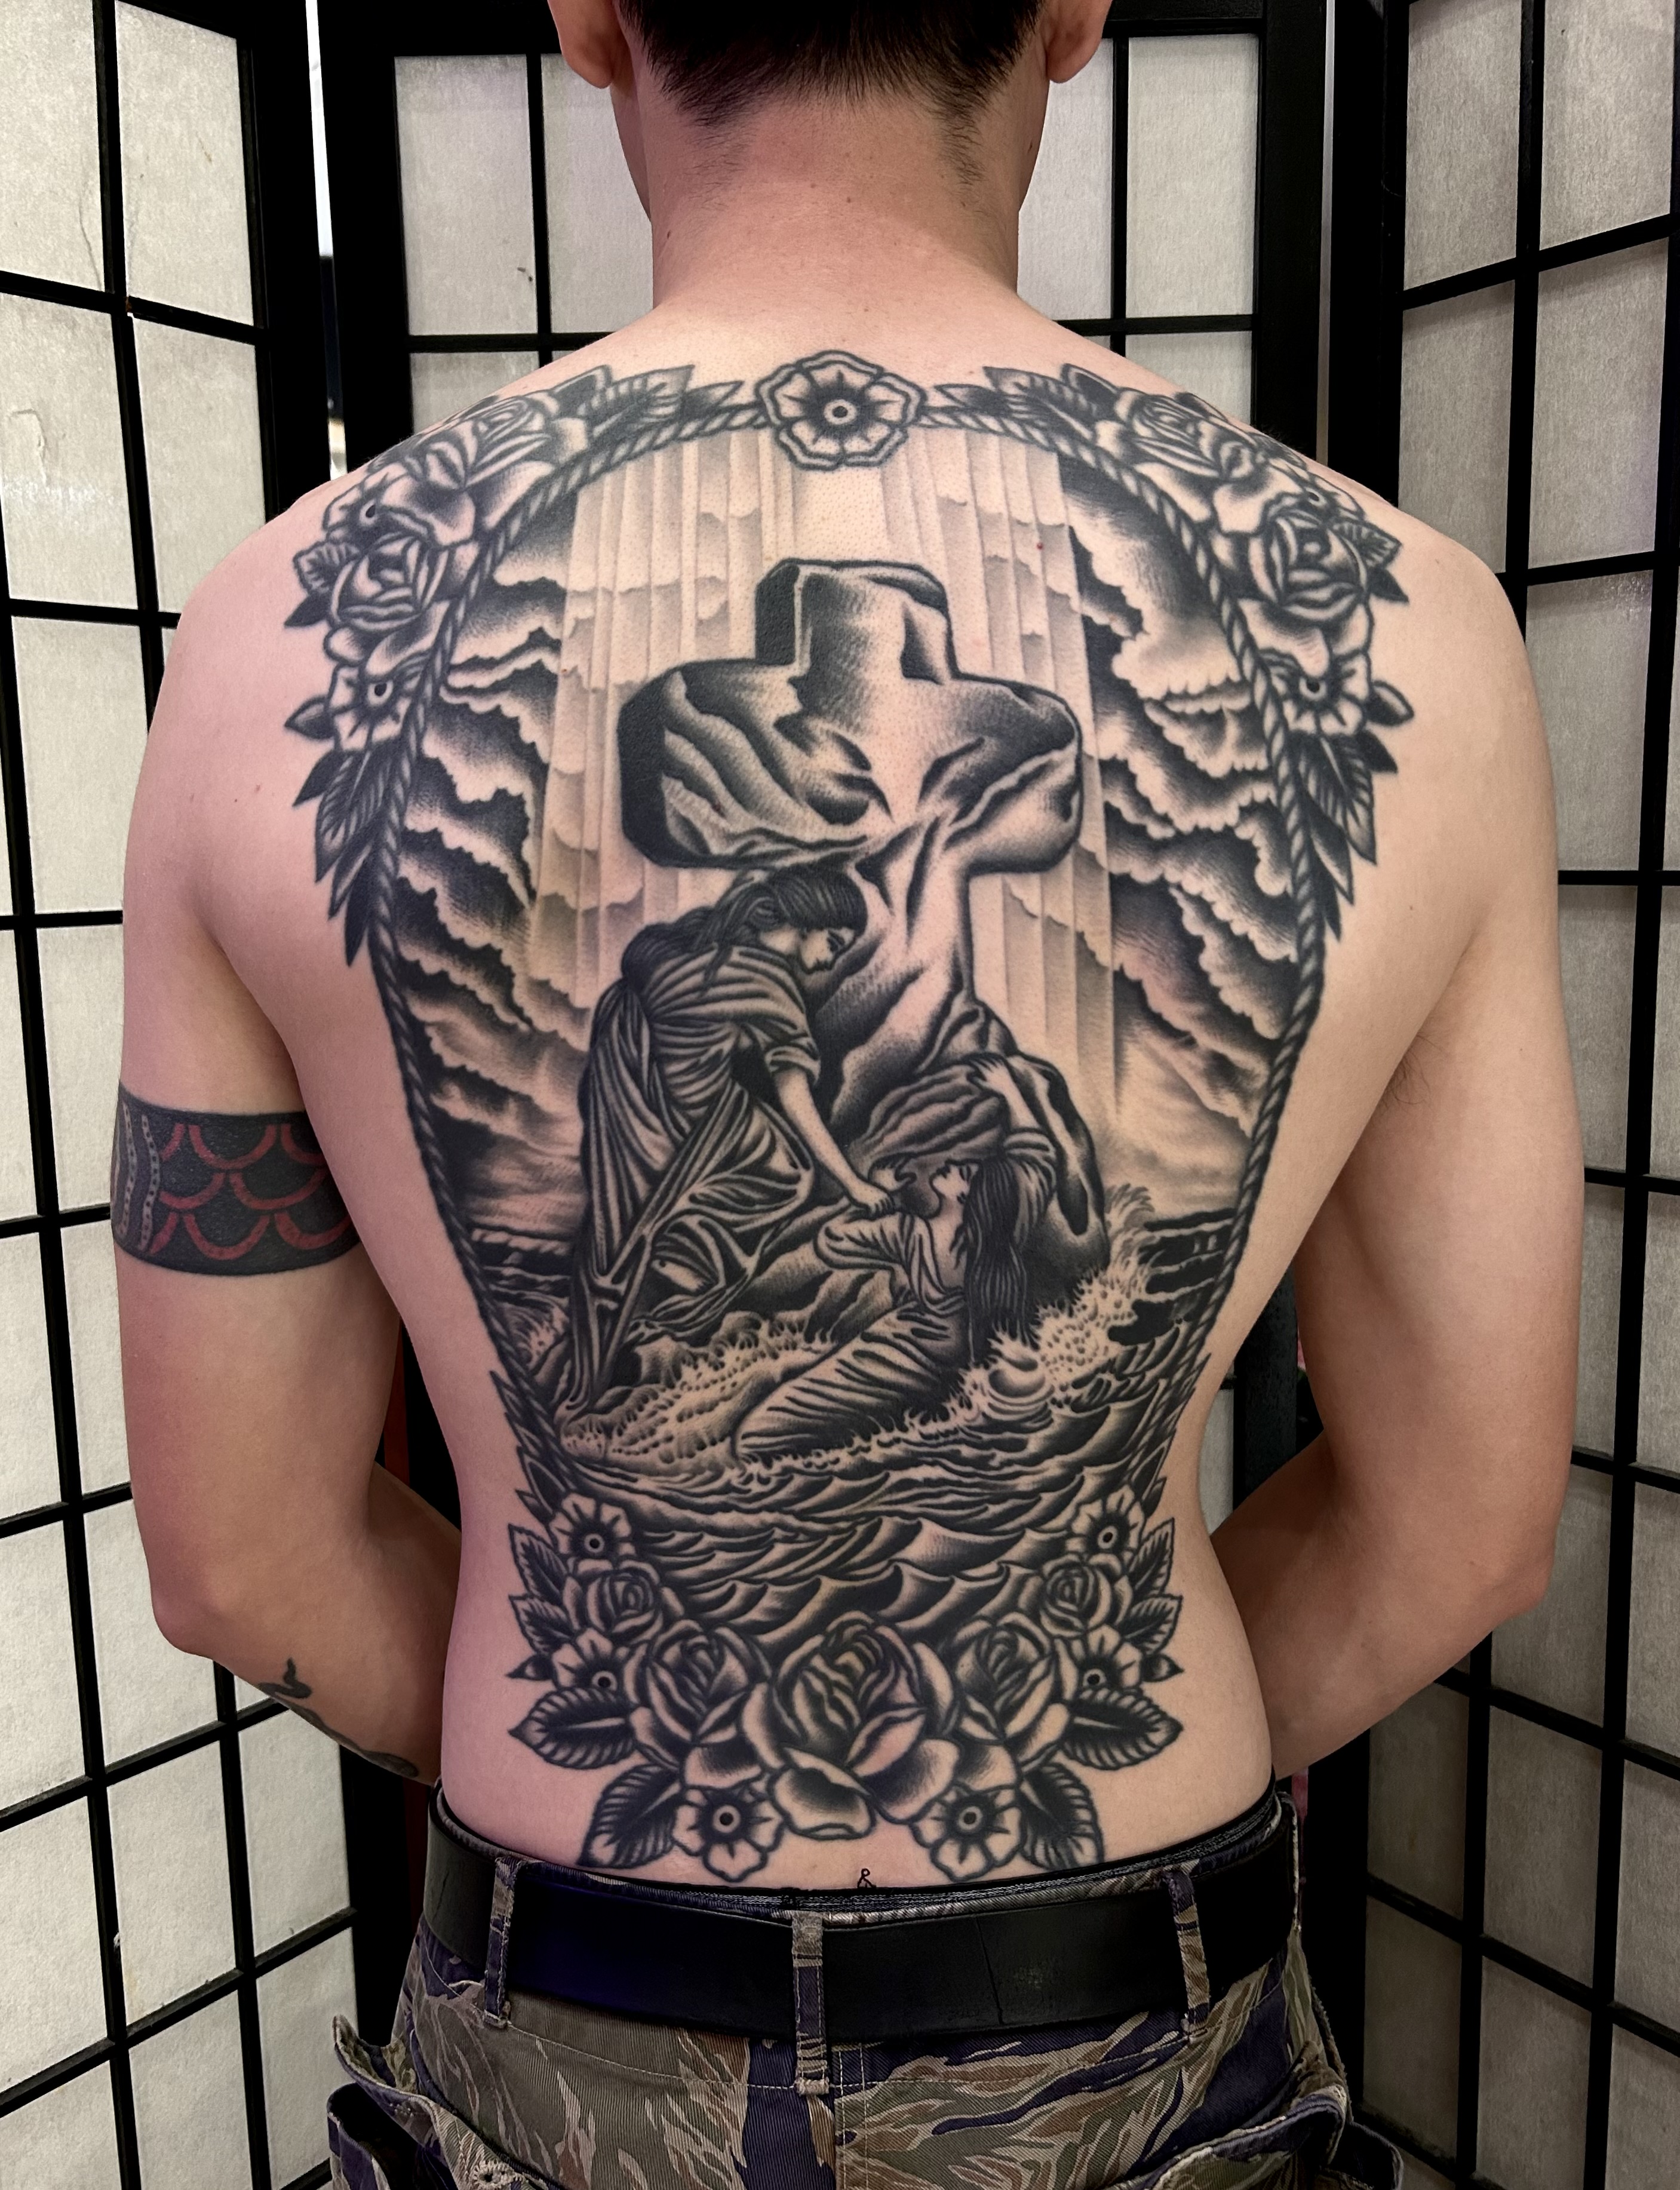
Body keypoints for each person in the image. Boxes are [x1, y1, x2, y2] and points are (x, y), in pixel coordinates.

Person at [115, 2, 1581, 2185]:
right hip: (1128, 2026)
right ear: (1073, 9)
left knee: (958, 1194)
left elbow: (240, 1559)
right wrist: (1036, 1713)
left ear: (585, 11)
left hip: (565, 2023)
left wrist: (642, 1702)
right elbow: (1460, 1515)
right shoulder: (1408, 636)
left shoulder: (279, 642)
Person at [555, 862, 883, 1407]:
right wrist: (852, 1184)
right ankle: (682, 1265)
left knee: (617, 1240)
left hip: (639, 1107)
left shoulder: (692, 945)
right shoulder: (769, 982)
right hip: (701, 1115)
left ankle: (619, 1338)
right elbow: (795, 1098)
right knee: (789, 1172)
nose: (831, 961)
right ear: (806, 924)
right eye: (833, 943)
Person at [732, 1133, 1055, 1457]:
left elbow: (832, 1241)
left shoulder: (910, 1234)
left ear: (969, 1196)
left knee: (757, 1435)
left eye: (966, 1173)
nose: (953, 1165)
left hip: (899, 1351)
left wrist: (874, 1193)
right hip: (946, 1369)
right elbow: (1038, 1157)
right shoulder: (1001, 1241)